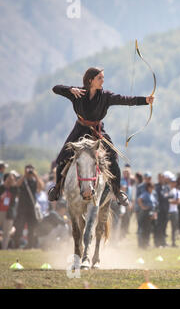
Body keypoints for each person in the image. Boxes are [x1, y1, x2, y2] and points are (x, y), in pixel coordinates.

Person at [47, 67, 154, 206]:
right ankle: (57, 188)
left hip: (97, 131)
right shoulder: (77, 93)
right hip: (80, 129)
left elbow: (126, 99)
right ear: (90, 80)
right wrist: (69, 89)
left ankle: (117, 191)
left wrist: (145, 100)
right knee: (62, 157)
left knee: (113, 158)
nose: (103, 80)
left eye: (103, 78)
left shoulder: (105, 96)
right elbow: (55, 88)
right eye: (100, 78)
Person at [13, 165, 44, 249]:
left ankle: (29, 246)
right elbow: (17, 185)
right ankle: (16, 245)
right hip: (22, 208)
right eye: (28, 169)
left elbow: (41, 187)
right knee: (19, 228)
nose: (30, 172)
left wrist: (36, 175)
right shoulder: (22, 180)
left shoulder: (34, 181)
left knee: (31, 228)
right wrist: (24, 175)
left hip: (31, 209)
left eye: (31, 170)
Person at [137, 182, 158, 249]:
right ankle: (143, 244)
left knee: (149, 229)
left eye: (153, 187)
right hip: (146, 213)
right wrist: (143, 207)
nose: (152, 189)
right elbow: (139, 199)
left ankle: (146, 243)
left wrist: (155, 213)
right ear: (148, 188)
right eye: (151, 187)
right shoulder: (145, 194)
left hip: (151, 213)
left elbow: (155, 204)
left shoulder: (151, 194)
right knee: (145, 229)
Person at [0, 171, 19, 249]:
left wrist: (12, 182)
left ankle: (4, 248)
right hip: (1, 211)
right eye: (9, 178)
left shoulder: (14, 189)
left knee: (7, 232)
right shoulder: (1, 187)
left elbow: (17, 191)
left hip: (9, 212)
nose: (10, 180)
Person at [155, 172, 171, 247]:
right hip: (159, 210)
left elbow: (171, 195)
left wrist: (167, 195)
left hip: (166, 210)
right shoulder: (156, 187)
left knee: (164, 226)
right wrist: (167, 195)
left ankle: (163, 242)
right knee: (159, 227)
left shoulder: (167, 187)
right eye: (160, 177)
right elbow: (161, 196)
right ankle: (157, 243)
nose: (161, 179)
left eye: (162, 177)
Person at [119, 166, 134, 239]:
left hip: (129, 202)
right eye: (125, 173)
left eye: (128, 173)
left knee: (127, 219)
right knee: (122, 218)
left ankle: (124, 233)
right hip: (124, 202)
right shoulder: (122, 181)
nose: (127, 174)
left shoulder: (129, 181)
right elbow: (123, 191)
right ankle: (120, 234)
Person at [167, 175, 180, 247]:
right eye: (172, 182)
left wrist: (169, 201)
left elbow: (178, 201)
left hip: (174, 211)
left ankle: (173, 242)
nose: (173, 183)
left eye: (174, 182)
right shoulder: (167, 190)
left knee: (174, 227)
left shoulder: (178, 191)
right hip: (167, 211)